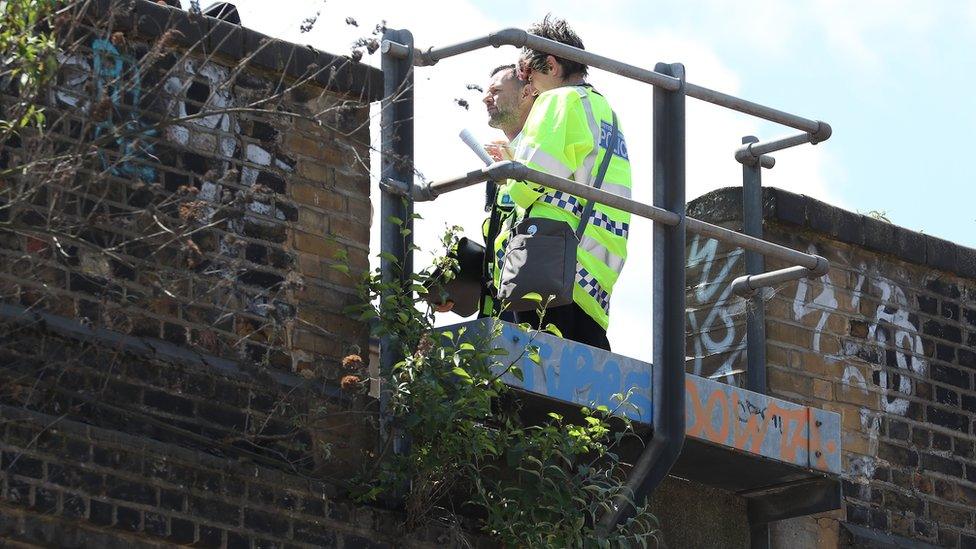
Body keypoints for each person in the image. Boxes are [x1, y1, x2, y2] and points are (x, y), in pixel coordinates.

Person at [506, 15, 632, 351]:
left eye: (527, 72)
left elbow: (526, 181)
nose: (526, 84)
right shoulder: (606, 112)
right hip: (595, 271)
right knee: (586, 386)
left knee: (538, 376)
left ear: (550, 63)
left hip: (552, 261)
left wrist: (505, 167)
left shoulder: (559, 101)